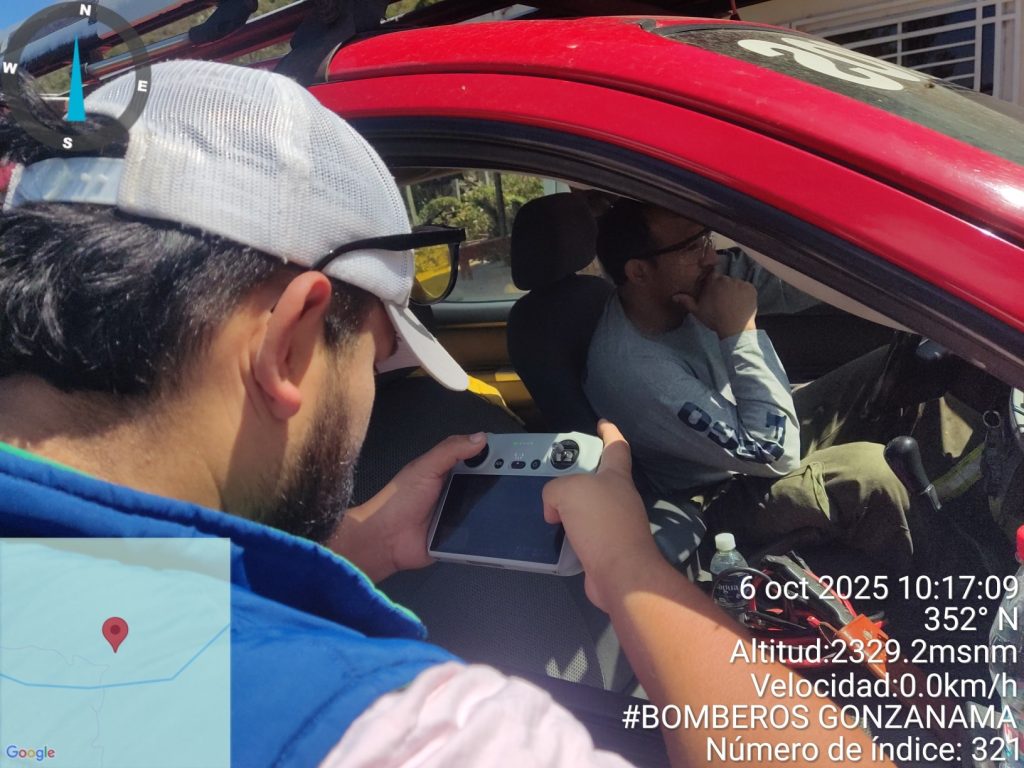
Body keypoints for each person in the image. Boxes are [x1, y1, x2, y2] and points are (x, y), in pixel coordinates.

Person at [0, 62, 892, 767]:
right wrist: (632, 568)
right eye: (378, 358)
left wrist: (354, 544)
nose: (372, 397)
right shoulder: (408, 730)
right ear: (292, 344)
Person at [585, 200, 914, 574]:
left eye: (706, 239)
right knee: (868, 473)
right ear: (639, 271)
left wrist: (881, 255)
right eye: (691, 247)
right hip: (715, 495)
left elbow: (786, 283)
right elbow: (774, 452)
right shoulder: (641, 374)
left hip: (746, 433)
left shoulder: (680, 288)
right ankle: (921, 584)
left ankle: (938, 488)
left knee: (899, 364)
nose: (711, 257)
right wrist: (740, 331)